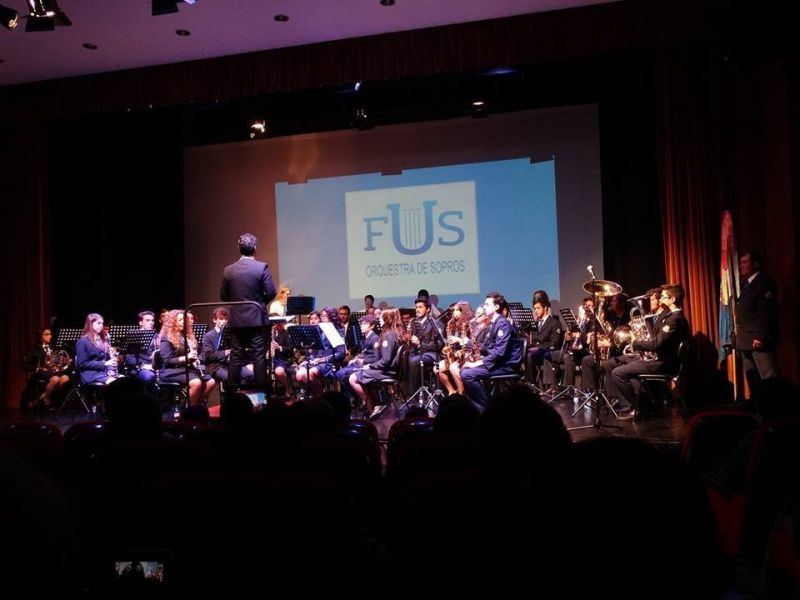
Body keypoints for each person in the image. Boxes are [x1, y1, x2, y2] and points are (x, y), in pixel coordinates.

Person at [610, 284, 690, 419]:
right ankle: (645, 407)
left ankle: (638, 407)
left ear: (672, 299)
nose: (660, 299)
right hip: (658, 359)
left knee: (617, 373)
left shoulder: (675, 319)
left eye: (663, 297)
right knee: (626, 369)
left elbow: (655, 344)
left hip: (663, 363)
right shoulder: (670, 317)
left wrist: (635, 342)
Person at [220, 233, 276, 392]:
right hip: (257, 320)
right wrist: (258, 304)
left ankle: (232, 394)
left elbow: (223, 296)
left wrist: (239, 303)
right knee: (258, 356)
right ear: (255, 249)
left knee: (236, 356)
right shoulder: (261, 267)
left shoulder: (228, 270)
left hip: (237, 320)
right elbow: (271, 292)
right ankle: (261, 395)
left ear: (238, 248)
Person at [461, 292, 524, 411]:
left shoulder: (503, 324)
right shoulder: (494, 323)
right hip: (498, 363)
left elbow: (499, 352)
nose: (484, 307)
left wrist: (477, 363)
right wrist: (477, 355)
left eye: (487, 304)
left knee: (467, 374)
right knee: (464, 370)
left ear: (496, 307)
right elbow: (488, 347)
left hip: (506, 365)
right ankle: (481, 405)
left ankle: (486, 408)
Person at [735, 251, 779, 392]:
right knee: (753, 379)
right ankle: (758, 404)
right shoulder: (747, 283)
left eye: (745, 262)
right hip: (745, 339)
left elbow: (767, 312)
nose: (741, 266)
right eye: (741, 263)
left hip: (758, 340)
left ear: (755, 264)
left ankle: (775, 405)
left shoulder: (764, 282)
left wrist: (761, 336)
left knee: (768, 378)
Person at [349, 307, 405, 418]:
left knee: (353, 378)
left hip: (388, 372)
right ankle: (376, 405)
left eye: (381, 316)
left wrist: (370, 366)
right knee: (358, 374)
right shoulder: (392, 333)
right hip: (388, 369)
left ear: (388, 319)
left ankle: (372, 407)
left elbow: (386, 361)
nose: (379, 319)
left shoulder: (389, 336)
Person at [159, 309, 216, 406]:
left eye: (184, 320)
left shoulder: (187, 335)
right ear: (172, 322)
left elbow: (199, 351)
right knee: (196, 383)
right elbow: (167, 360)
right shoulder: (166, 338)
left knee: (211, 382)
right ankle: (191, 409)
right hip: (171, 370)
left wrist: (196, 358)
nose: (183, 322)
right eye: (180, 320)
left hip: (186, 368)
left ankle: (197, 405)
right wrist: (186, 357)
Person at [202, 306, 254, 387]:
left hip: (230, 364)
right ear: (214, 320)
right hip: (216, 366)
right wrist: (224, 353)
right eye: (221, 319)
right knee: (229, 378)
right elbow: (208, 356)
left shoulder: (230, 333)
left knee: (250, 374)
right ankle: (230, 394)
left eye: (226, 319)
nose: (224, 321)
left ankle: (240, 392)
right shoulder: (208, 336)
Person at [22, 327, 72, 409]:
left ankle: (44, 395)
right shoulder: (34, 350)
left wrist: (65, 361)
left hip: (53, 371)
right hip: (42, 372)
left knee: (65, 378)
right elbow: (25, 364)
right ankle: (47, 399)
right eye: (47, 334)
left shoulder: (52, 348)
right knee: (55, 379)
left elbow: (56, 361)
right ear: (40, 336)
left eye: (50, 334)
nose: (50, 336)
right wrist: (39, 368)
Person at [438, 301, 475, 396]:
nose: (453, 312)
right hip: (455, 355)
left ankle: (462, 393)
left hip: (467, 355)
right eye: (453, 310)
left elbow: (473, 344)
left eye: (456, 310)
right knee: (437, 368)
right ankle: (451, 391)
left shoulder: (471, 324)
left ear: (463, 311)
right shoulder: (452, 324)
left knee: (453, 367)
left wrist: (458, 340)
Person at [75, 313, 123, 385]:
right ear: (91, 324)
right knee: (116, 384)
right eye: (98, 323)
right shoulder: (83, 341)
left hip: (105, 373)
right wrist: (104, 364)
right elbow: (82, 364)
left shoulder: (103, 340)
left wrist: (111, 369)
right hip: (91, 375)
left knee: (125, 380)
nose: (101, 326)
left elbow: (108, 359)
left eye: (102, 323)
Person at [123, 310, 157, 389]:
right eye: (147, 320)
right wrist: (143, 366)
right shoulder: (134, 336)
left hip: (155, 367)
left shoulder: (157, 336)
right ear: (141, 323)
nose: (151, 323)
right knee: (149, 377)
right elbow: (129, 357)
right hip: (140, 367)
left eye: (152, 320)